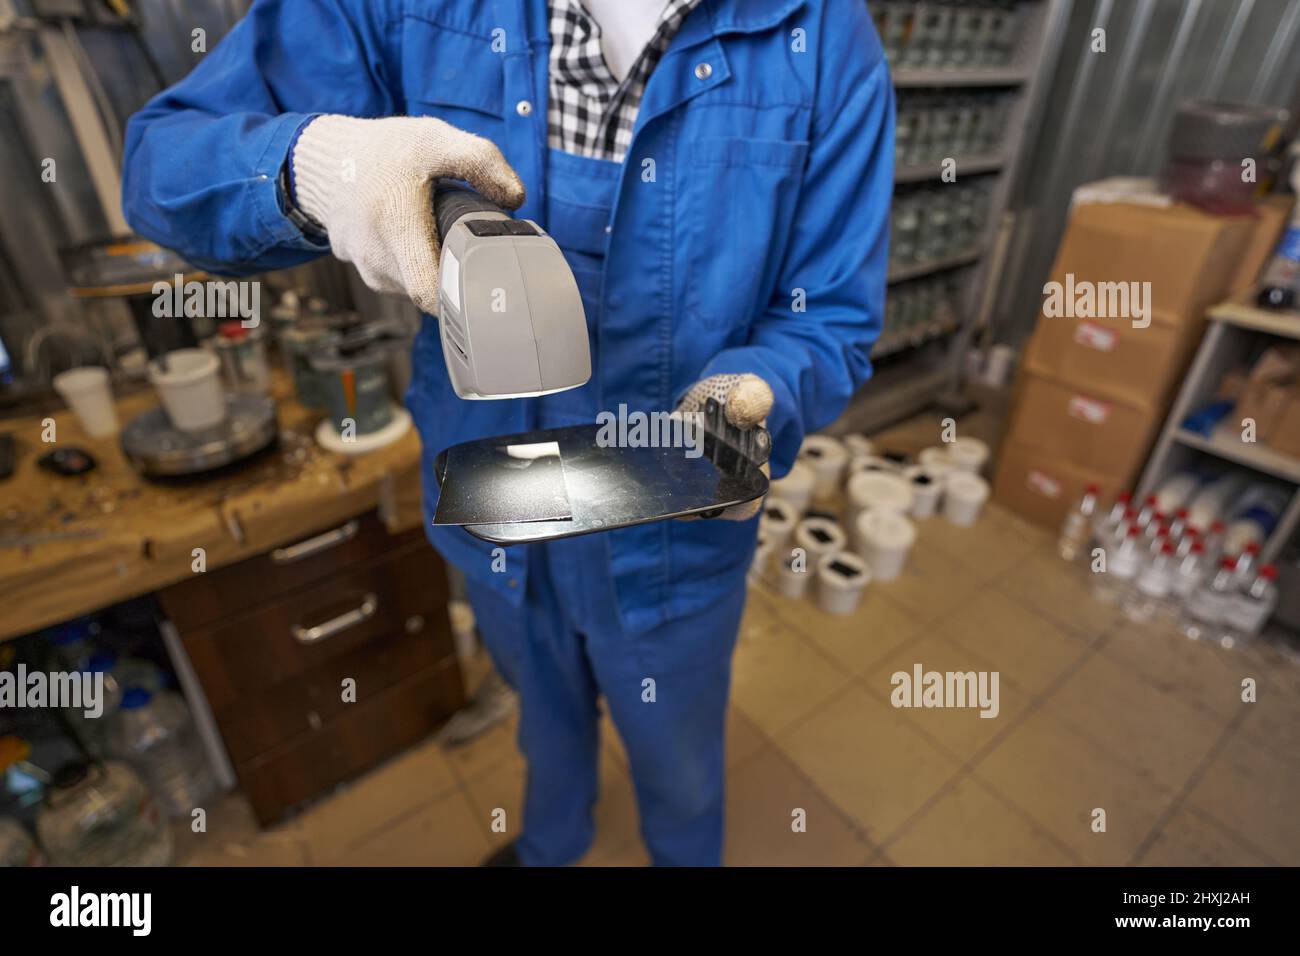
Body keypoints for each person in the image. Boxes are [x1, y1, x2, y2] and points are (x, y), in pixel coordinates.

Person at [122, 0, 893, 866]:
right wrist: (323, 167)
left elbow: (830, 315)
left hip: (670, 516)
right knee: (544, 719)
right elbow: (162, 163)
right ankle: (550, 845)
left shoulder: (821, 33)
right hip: (497, 504)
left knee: (679, 770)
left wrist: (762, 389)